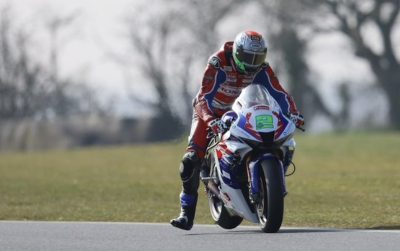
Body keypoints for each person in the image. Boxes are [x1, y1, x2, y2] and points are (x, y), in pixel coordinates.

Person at [170, 30, 304, 231]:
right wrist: (210, 120)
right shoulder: (219, 62)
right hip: (210, 111)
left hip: (242, 111)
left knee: (273, 138)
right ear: (237, 53)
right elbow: (202, 96)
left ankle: (262, 179)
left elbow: (279, 93)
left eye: (258, 57)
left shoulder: (262, 69)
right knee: (190, 161)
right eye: (249, 57)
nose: (253, 63)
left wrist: (294, 113)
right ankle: (186, 214)